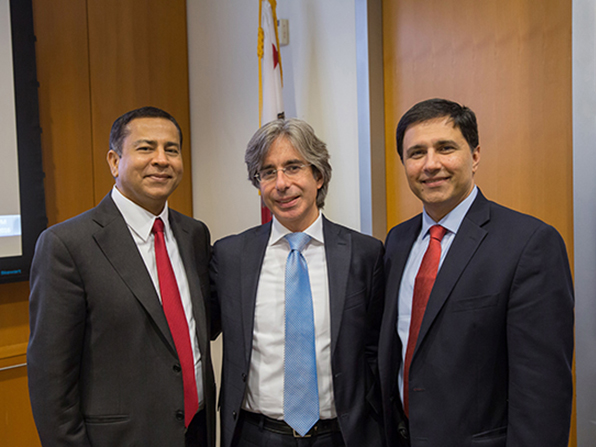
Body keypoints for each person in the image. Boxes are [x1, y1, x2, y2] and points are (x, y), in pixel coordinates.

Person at [379, 98, 574, 446]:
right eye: (416, 153)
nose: (431, 164)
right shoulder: (397, 241)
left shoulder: (529, 244)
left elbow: (544, 391)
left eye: (446, 148)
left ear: (476, 154)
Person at [27, 106, 215, 447]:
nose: (161, 159)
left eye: (171, 149)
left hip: (196, 432)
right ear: (114, 161)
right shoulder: (67, 245)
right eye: (145, 148)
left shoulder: (195, 235)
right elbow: (50, 379)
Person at [210, 118, 385, 447]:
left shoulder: (365, 254)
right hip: (255, 435)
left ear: (318, 176)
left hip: (341, 436)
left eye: (293, 168)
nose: (281, 184)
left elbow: (377, 349)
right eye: (267, 172)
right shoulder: (231, 256)